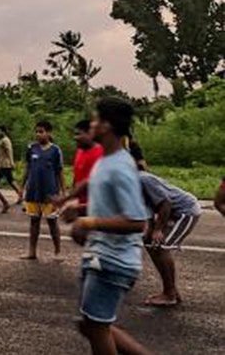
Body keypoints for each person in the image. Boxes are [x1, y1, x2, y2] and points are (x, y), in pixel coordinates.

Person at [71, 98, 150, 355]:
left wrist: (89, 222)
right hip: (100, 256)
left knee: (96, 326)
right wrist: (80, 210)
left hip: (113, 261)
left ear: (106, 125)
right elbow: (109, 206)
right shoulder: (106, 160)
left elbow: (137, 222)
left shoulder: (120, 167)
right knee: (91, 324)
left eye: (95, 120)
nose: (91, 124)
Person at [139, 172, 201, 307]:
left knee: (161, 246)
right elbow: (148, 213)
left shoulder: (142, 179)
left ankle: (170, 294)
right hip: (173, 212)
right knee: (150, 243)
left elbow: (166, 203)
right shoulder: (131, 183)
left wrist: (158, 230)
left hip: (185, 210)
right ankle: (171, 290)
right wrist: (149, 234)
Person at [21, 121, 65, 260]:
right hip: (33, 191)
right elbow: (27, 169)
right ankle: (32, 251)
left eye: (41, 131)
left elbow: (59, 172)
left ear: (49, 133)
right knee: (34, 221)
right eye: (37, 131)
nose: (38, 134)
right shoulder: (31, 148)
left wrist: (63, 192)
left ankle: (58, 252)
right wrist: (22, 187)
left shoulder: (55, 150)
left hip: (50, 192)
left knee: (52, 222)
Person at [60, 120, 105, 220]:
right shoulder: (80, 152)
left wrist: (79, 207)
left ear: (90, 134)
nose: (75, 138)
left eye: (78, 134)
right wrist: (72, 198)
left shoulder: (101, 154)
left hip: (97, 209)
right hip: (82, 206)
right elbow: (77, 178)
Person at [0, 126, 22, 203]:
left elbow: (9, 151)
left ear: (3, 131)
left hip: (5, 164)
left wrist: (11, 162)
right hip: (1, 163)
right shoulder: (2, 140)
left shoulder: (5, 140)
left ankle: (20, 195)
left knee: (10, 181)